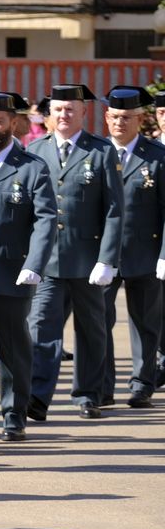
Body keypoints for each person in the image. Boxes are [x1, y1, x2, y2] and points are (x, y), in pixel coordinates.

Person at [25, 84, 122, 421]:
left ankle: (87, 394)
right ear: (49, 115)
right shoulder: (35, 151)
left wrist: (107, 259)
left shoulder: (101, 151)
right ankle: (37, 397)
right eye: (58, 110)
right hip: (47, 260)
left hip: (87, 260)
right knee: (42, 330)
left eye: (70, 110)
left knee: (92, 329)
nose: (63, 116)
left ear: (83, 113)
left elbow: (114, 210)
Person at [0, 92, 54, 442]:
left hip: (14, 275)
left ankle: (13, 416)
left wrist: (35, 263)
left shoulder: (31, 167)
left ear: (13, 123)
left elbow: (45, 220)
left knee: (14, 353)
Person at [99, 86, 165, 409]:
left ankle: (142, 383)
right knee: (99, 319)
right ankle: (103, 384)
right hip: (103, 256)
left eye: (127, 118)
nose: (120, 124)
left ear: (140, 119)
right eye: (114, 117)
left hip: (146, 254)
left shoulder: (158, 157)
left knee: (145, 322)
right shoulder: (96, 154)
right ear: (106, 117)